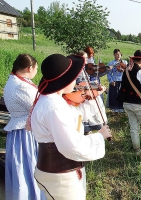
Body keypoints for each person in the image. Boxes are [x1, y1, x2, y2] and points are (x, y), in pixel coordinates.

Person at [30, 54, 112, 199]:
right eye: (73, 77)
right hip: (60, 175)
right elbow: (72, 145)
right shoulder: (53, 106)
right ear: (64, 80)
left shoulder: (51, 100)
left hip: (56, 173)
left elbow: (73, 118)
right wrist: (99, 136)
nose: (75, 81)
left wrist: (89, 101)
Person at [3, 54, 46, 199]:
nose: (36, 72)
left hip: (19, 131)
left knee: (22, 169)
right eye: (36, 69)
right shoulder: (21, 86)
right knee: (27, 169)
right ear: (29, 68)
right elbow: (39, 105)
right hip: (25, 133)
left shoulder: (14, 80)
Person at [107, 49, 128, 113]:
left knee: (122, 95)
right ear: (114, 55)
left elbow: (128, 72)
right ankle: (115, 109)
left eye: (119, 54)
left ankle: (122, 109)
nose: (118, 55)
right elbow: (109, 74)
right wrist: (111, 81)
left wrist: (123, 70)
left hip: (123, 81)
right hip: (115, 80)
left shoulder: (125, 62)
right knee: (114, 95)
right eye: (116, 54)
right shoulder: (111, 63)